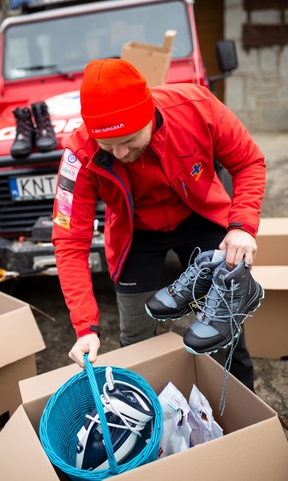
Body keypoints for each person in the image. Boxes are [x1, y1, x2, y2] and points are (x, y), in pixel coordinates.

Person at [51, 58, 266, 391]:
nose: (120, 153)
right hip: (135, 232)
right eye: (108, 146)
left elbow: (248, 161)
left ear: (149, 112)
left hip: (199, 213)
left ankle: (244, 411)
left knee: (224, 329)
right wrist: (85, 328)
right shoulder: (78, 155)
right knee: (135, 335)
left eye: (129, 139)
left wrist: (242, 225)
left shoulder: (197, 107)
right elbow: (69, 241)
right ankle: (149, 414)